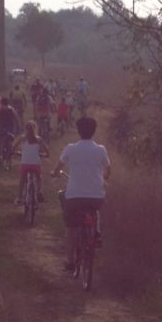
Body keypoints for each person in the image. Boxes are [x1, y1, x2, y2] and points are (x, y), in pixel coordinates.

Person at [53, 114, 110, 271]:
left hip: (75, 196)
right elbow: (108, 169)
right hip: (96, 196)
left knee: (71, 228)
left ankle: (70, 262)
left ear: (78, 131)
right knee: (95, 209)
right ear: (94, 131)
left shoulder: (71, 148)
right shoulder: (101, 150)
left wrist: (54, 173)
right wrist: (104, 178)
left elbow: (58, 168)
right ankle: (96, 232)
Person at [17, 121, 49, 205]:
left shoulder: (22, 139)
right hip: (35, 164)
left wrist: (14, 152)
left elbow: (13, 148)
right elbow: (47, 151)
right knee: (39, 178)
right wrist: (45, 155)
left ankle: (19, 197)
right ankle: (39, 191)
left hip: (25, 164)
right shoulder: (38, 139)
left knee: (22, 179)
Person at [0, 95, 21, 165]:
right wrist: (18, 125)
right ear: (8, 102)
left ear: (1, 102)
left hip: (1, 128)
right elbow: (16, 117)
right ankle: (10, 151)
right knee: (11, 141)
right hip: (10, 128)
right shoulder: (11, 109)